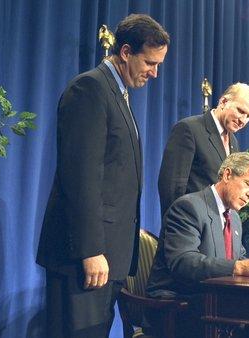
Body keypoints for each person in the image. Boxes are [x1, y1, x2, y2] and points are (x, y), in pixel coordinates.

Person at [36, 14, 169, 337]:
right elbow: (80, 177)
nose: (154, 72)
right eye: (150, 63)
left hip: (109, 259)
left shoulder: (118, 94)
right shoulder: (91, 88)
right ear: (125, 52)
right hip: (85, 258)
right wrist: (91, 250)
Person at [146, 152, 249, 337]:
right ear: (227, 175)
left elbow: (238, 258)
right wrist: (239, 267)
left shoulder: (233, 217)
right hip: (176, 304)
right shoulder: (188, 207)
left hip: (212, 302)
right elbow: (183, 262)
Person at [158, 82, 249, 215]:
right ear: (223, 102)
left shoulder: (233, 142)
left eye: (248, 116)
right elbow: (171, 187)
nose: (243, 120)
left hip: (216, 229)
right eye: (240, 111)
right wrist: (179, 226)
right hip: (187, 226)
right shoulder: (189, 129)